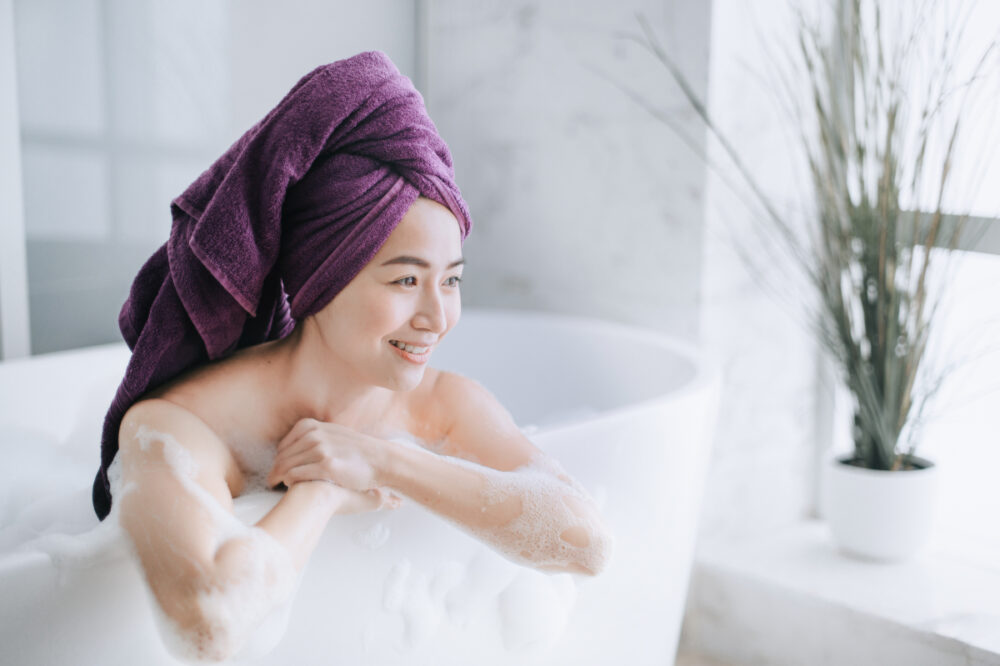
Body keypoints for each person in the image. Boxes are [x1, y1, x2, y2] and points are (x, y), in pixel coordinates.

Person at [98, 52, 612, 662]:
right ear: (321, 280)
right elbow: (209, 620)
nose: (438, 317)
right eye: (404, 282)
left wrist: (382, 461)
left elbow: (585, 543)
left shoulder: (441, 404)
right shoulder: (181, 426)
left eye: (451, 280)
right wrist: (326, 492)